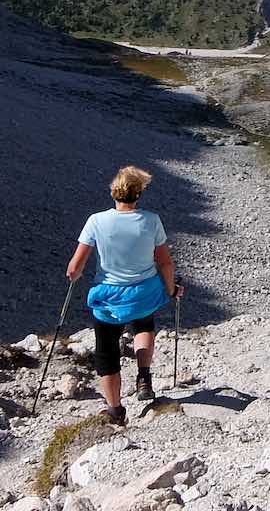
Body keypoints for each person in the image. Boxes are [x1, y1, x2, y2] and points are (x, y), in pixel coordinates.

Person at [65, 165, 184, 425]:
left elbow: (75, 267)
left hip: (109, 296)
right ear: (138, 194)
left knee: (106, 351)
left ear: (113, 192)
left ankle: (115, 410)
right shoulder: (151, 220)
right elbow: (164, 261)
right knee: (144, 325)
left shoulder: (96, 221)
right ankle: (144, 375)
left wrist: (74, 275)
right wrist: (171, 288)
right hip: (144, 292)